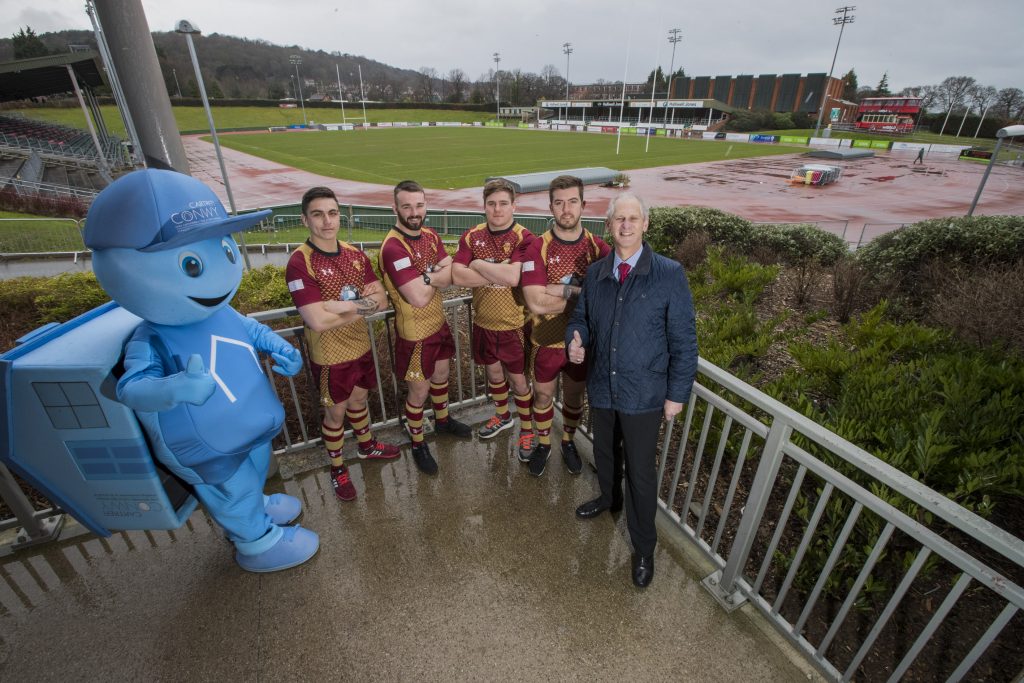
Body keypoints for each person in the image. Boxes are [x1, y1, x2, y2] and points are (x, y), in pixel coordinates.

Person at [566, 192, 698, 588]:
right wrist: (577, 337)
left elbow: (684, 341)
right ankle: (608, 498)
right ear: (609, 226)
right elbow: (582, 318)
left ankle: (643, 547)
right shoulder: (596, 273)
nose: (625, 225)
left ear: (645, 225)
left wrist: (677, 394)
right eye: (618, 219)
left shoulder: (669, 273)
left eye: (633, 218)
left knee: (640, 473)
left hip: (645, 394)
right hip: (604, 387)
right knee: (605, 453)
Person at [286, 186, 399, 502]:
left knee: (359, 403)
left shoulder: (354, 254)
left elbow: (381, 299)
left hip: (360, 348)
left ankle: (366, 446)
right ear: (305, 219)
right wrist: (359, 307)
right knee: (335, 416)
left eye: (332, 213)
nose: (327, 222)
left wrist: (335, 305)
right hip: (330, 357)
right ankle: (337, 469)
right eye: (318, 215)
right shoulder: (299, 262)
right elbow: (317, 322)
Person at [378, 180, 472, 475]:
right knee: (419, 391)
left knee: (442, 375)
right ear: (395, 208)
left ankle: (442, 420)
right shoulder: (393, 247)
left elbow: (453, 269)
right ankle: (418, 442)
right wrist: (435, 275)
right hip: (415, 333)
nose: (414, 211)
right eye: (406, 206)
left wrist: (428, 276)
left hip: (438, 323)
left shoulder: (429, 235)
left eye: (419, 205)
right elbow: (417, 297)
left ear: (425, 206)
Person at [518, 175, 610, 477]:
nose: (566, 209)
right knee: (543, 396)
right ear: (551, 207)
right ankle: (544, 443)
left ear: (583, 205)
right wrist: (583, 294)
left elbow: (612, 296)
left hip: (582, 344)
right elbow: (535, 302)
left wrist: (555, 287)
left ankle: (568, 441)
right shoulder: (536, 248)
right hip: (545, 340)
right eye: (559, 203)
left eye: (572, 202)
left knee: (573, 397)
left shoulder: (599, 249)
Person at [452, 179, 536, 462]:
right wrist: (496, 269)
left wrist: (476, 264)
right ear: (484, 206)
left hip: (514, 323)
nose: (497, 209)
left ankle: (527, 429)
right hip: (484, 322)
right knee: (494, 375)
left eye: (503, 203)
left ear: (514, 205)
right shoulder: (472, 236)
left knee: (518, 380)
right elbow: (456, 275)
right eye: (491, 204)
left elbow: (513, 278)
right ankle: (503, 416)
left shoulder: (525, 237)